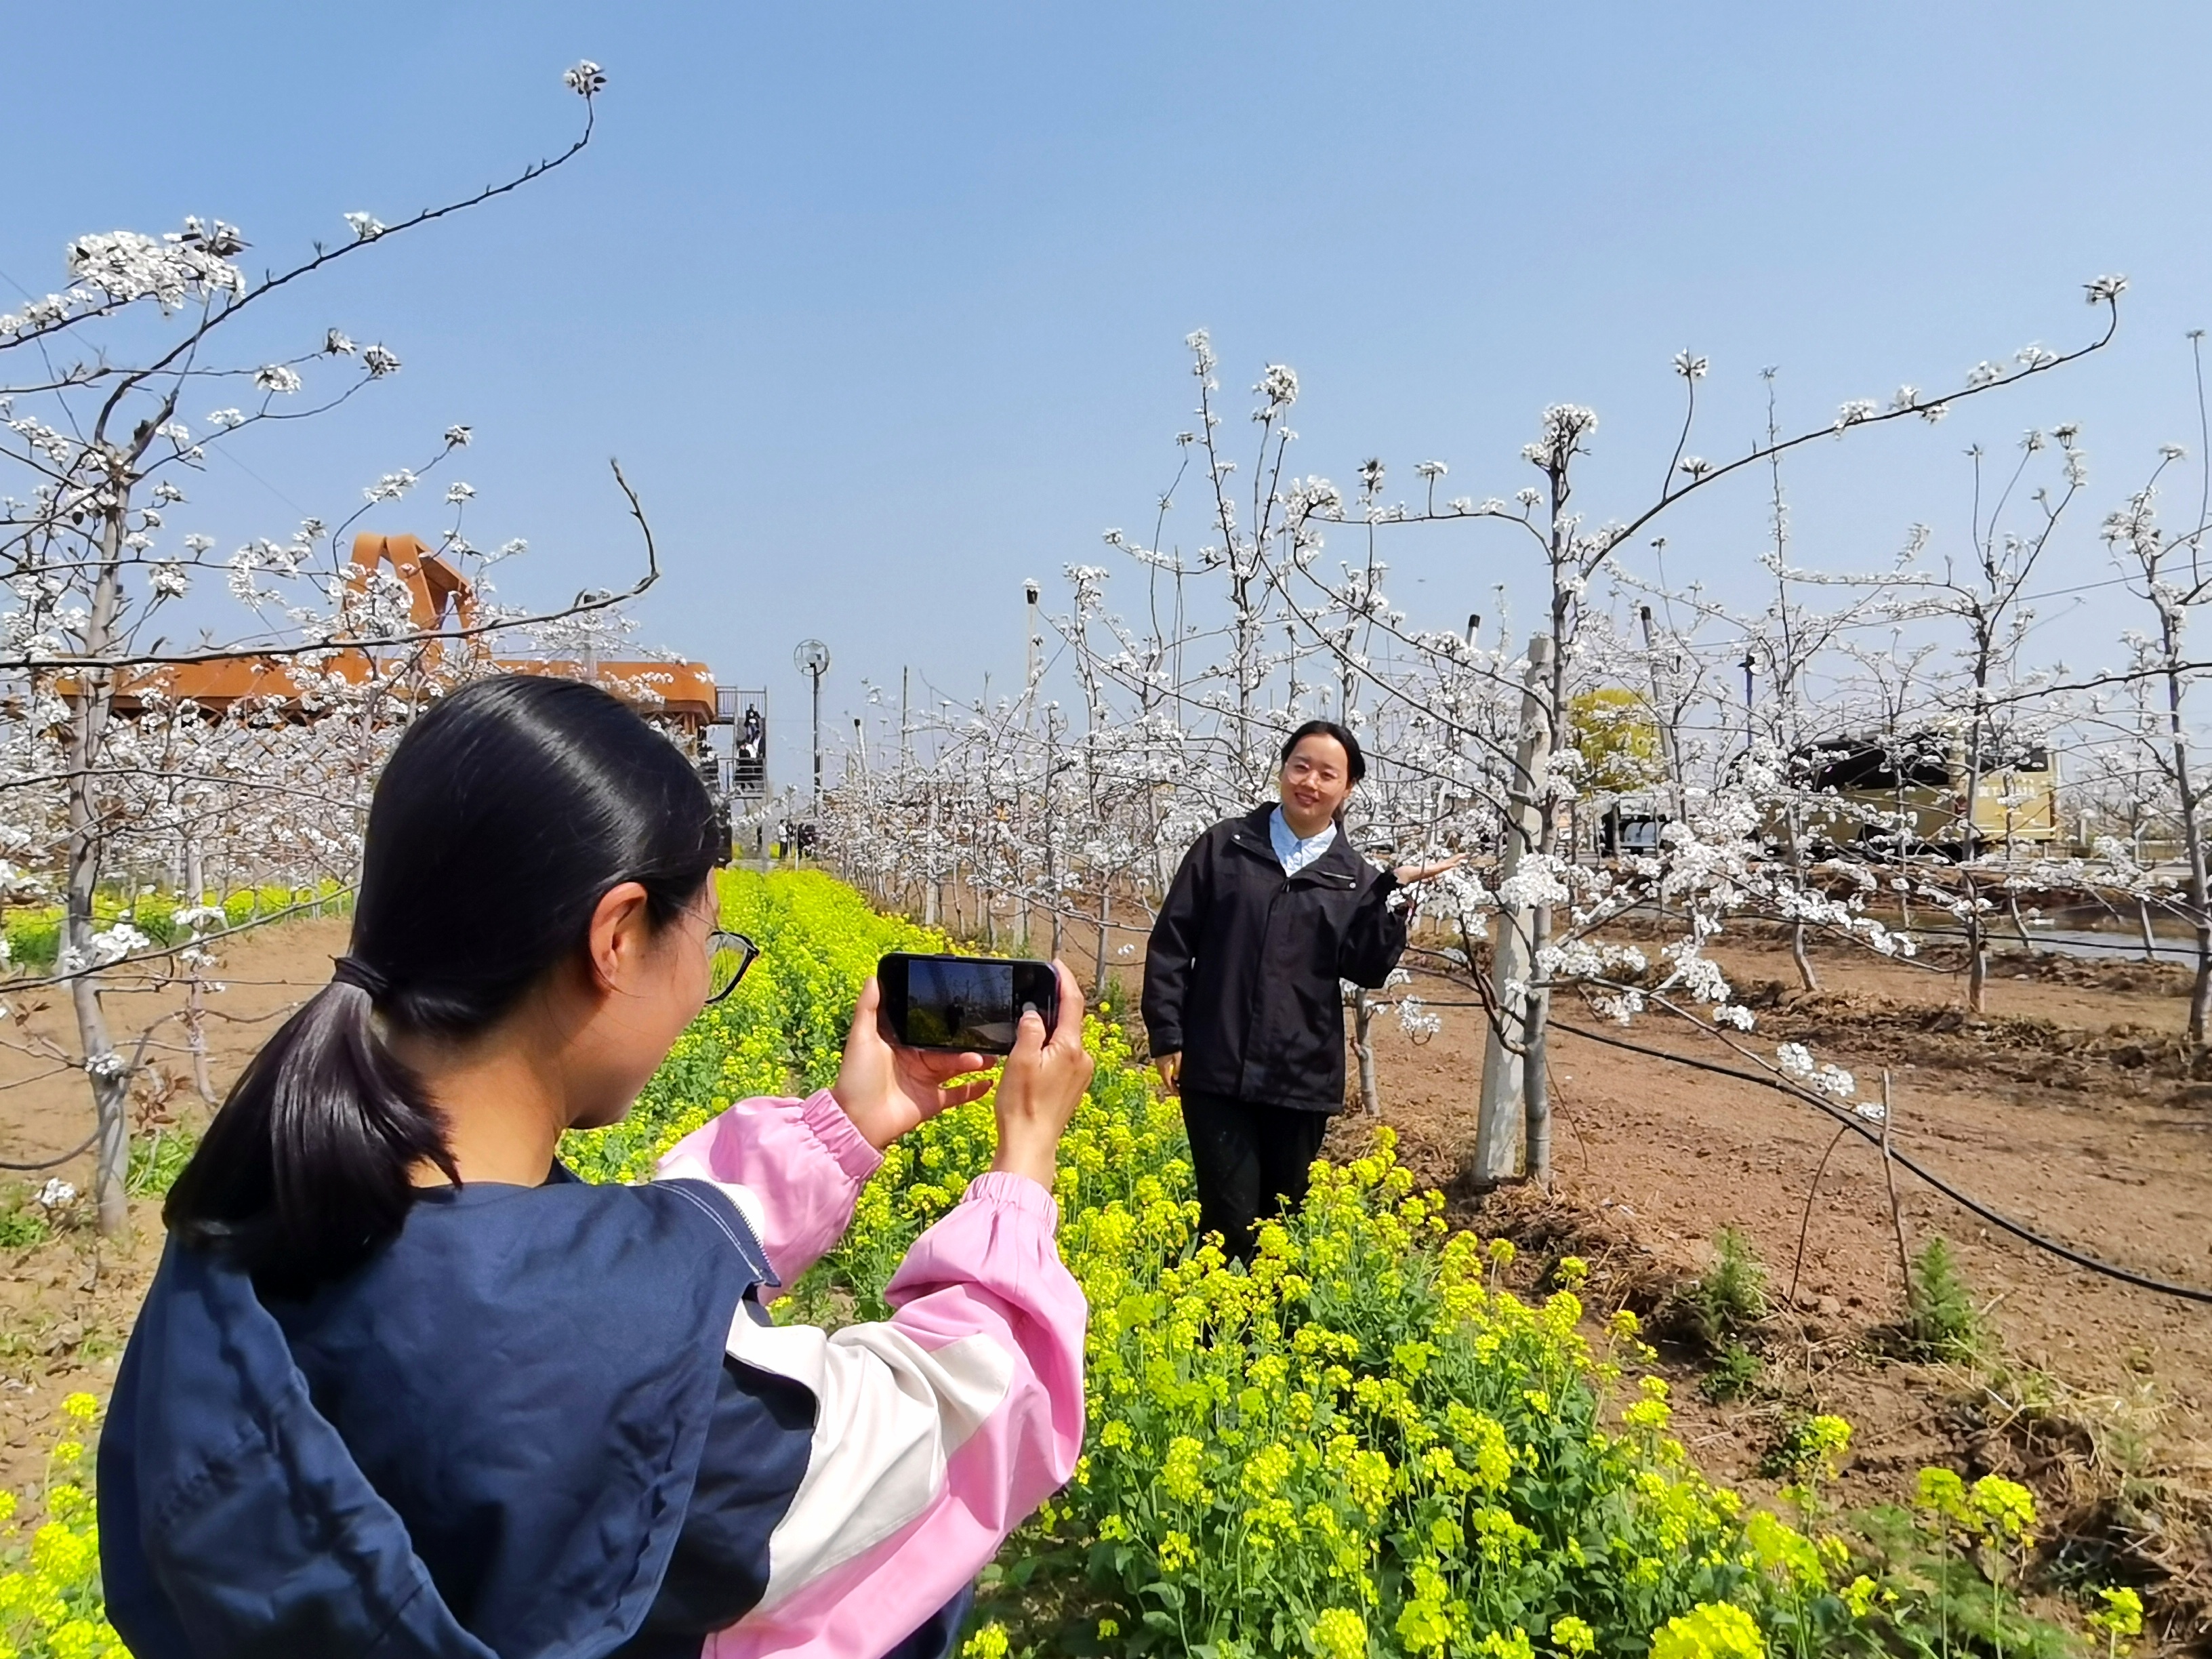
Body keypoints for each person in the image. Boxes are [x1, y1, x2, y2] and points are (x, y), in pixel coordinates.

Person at [98, 674, 1095, 1659]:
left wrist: (844, 1127)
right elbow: (941, 1426)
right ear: (617, 938)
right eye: (708, 940)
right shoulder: (598, 1372)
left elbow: (610, 1271)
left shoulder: (250, 1231)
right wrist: (1023, 1170)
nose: (704, 977)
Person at [1142, 720, 1460, 1262]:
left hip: (1300, 1076)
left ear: (1347, 788)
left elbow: (1367, 969)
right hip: (1215, 1068)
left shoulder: (1356, 878)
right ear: (1284, 769)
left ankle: (1267, 1336)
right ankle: (1215, 1339)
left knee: (1280, 1221)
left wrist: (1393, 898)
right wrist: (1168, 1034)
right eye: (1300, 766)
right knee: (1229, 1222)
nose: (1310, 782)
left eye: (1327, 774)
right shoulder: (1224, 848)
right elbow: (1172, 943)